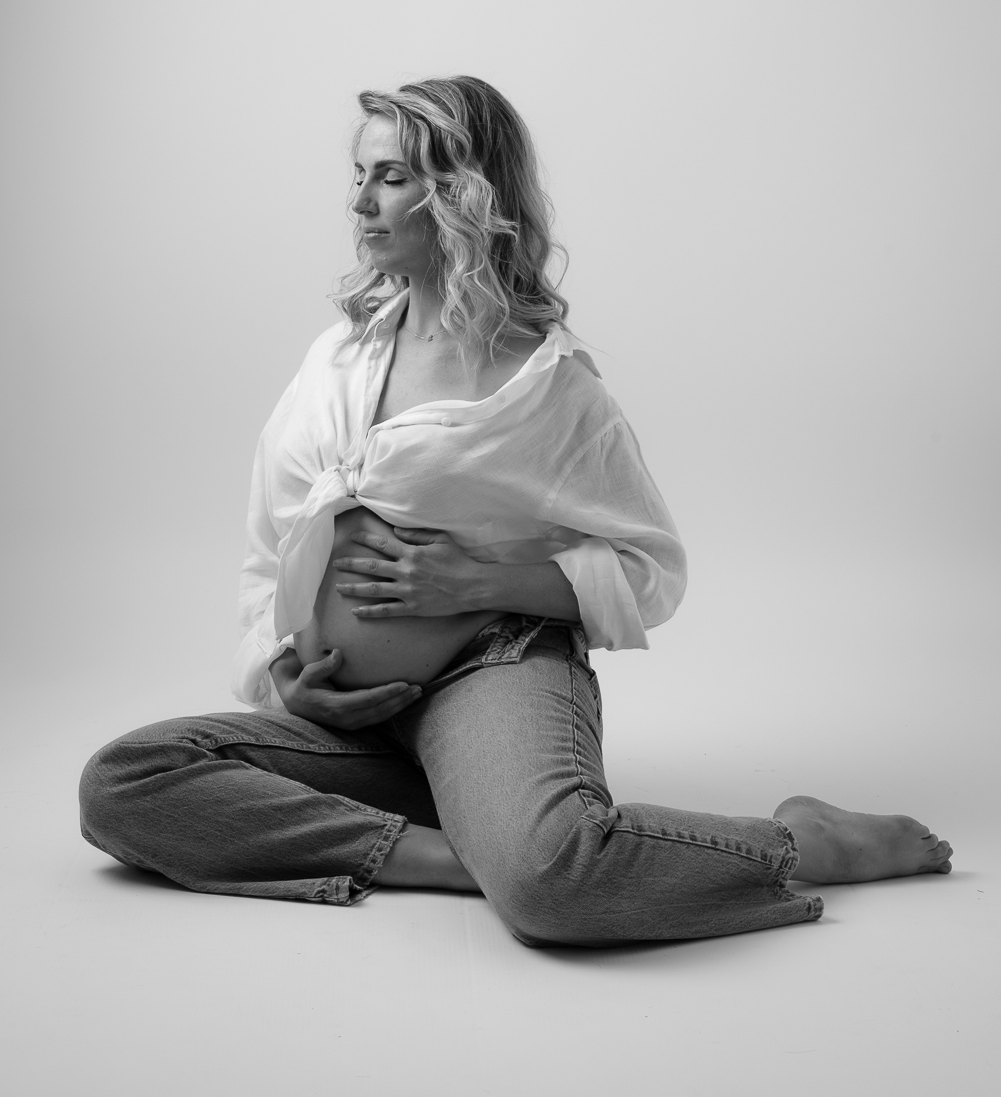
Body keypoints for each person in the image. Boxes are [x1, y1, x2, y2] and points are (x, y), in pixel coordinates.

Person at [79, 76, 952, 945]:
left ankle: (803, 843)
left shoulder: (547, 387)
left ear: (462, 193)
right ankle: (465, 855)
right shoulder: (335, 359)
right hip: (347, 719)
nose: (360, 201)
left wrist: (481, 579)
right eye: (358, 174)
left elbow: (651, 572)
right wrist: (279, 677)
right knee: (127, 780)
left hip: (489, 673)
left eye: (391, 177)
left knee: (549, 887)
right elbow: (269, 548)